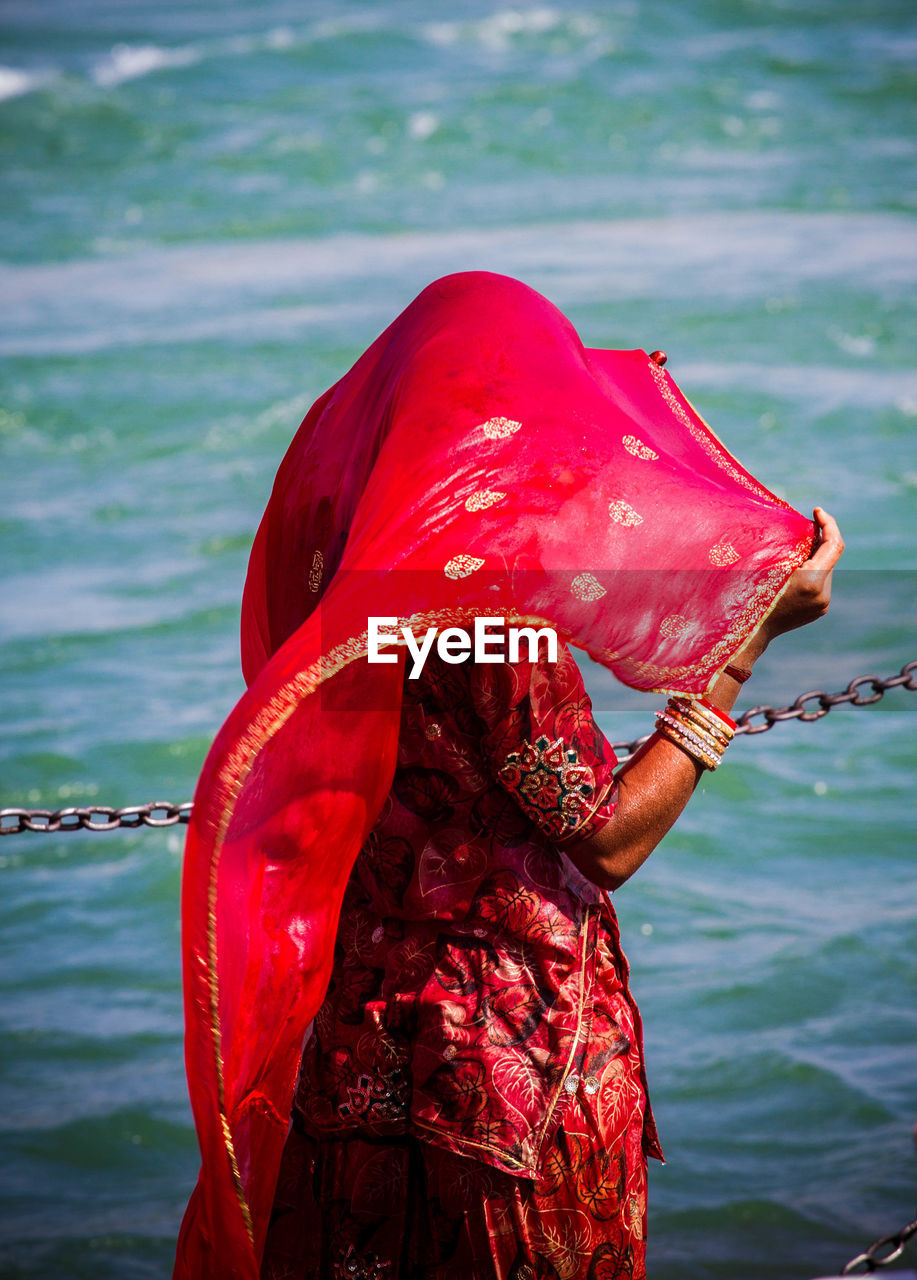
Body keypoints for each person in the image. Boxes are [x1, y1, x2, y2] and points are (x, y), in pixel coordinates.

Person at [173, 272, 842, 1280]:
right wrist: (740, 650)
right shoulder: (489, 623)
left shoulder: (346, 570)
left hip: (358, 1050)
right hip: (503, 1071)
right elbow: (605, 836)